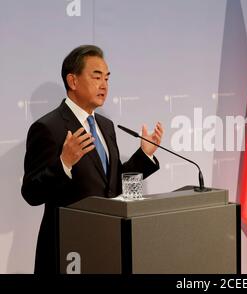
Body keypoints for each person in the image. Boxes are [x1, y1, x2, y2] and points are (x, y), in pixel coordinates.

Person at [21, 45, 163, 274]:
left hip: (108, 245)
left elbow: (111, 185)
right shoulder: (48, 127)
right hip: (68, 252)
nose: (104, 85)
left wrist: (144, 155)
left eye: (107, 78)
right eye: (96, 77)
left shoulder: (105, 126)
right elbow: (31, 193)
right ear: (73, 81)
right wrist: (64, 163)